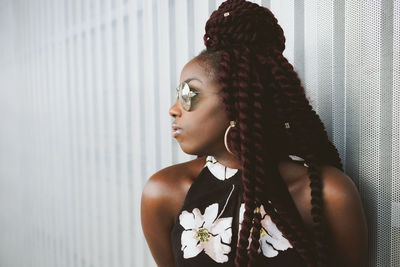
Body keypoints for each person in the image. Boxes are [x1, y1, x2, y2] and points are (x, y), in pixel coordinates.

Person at [141, 0, 368, 266]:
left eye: (189, 94)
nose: (173, 109)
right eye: (177, 95)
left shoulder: (328, 194)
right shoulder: (163, 194)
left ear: (240, 101)